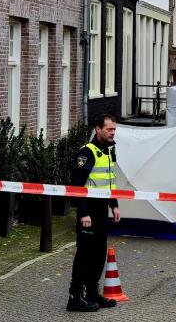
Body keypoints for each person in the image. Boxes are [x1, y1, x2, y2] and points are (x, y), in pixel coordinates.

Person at [66, 114, 121, 312]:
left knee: (99, 253)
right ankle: (75, 297)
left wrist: (114, 204)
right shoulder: (87, 152)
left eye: (114, 129)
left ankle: (91, 292)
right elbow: (76, 186)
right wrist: (83, 213)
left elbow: (110, 181)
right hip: (88, 210)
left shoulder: (109, 150)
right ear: (98, 129)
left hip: (101, 210)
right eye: (109, 129)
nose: (112, 132)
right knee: (84, 254)